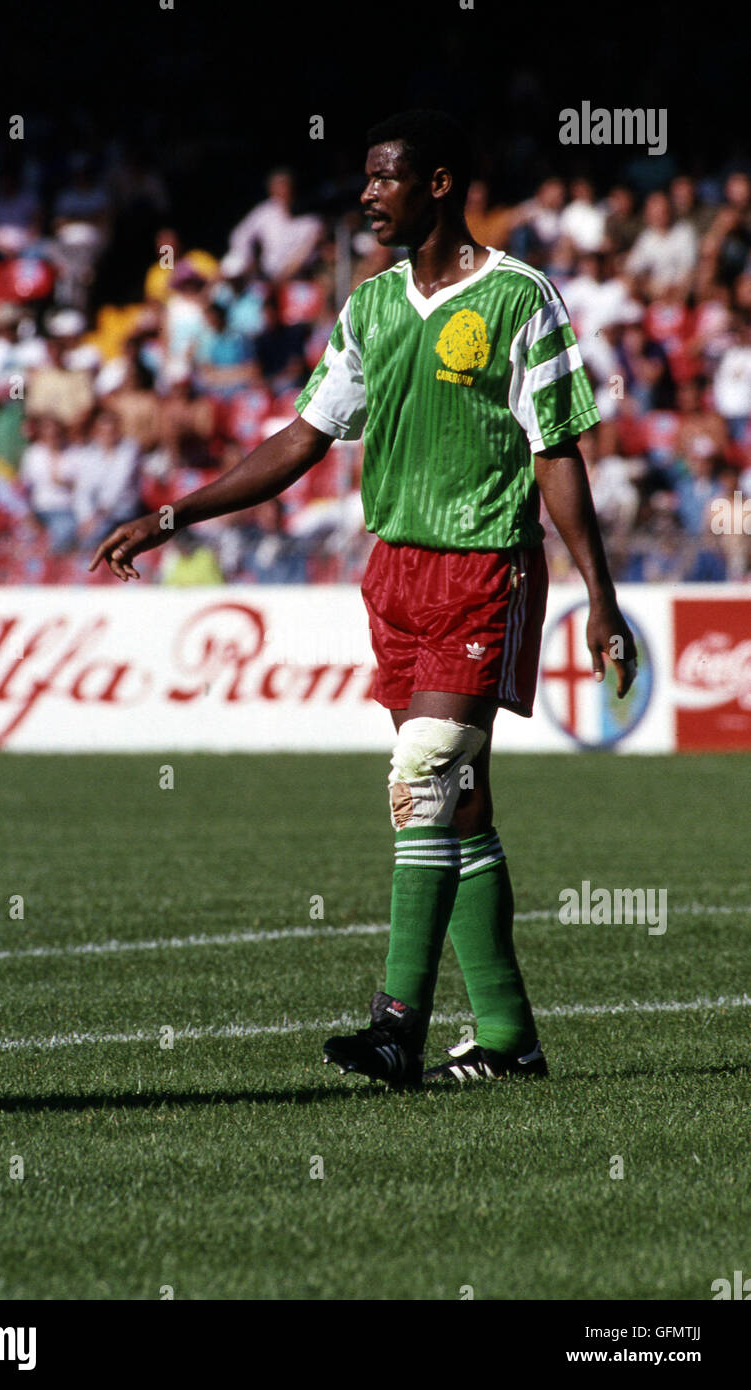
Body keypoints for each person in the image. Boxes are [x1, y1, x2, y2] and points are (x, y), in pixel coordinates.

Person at [89, 109, 636, 1091]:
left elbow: (555, 450)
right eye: (365, 178)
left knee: (423, 773)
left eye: (384, 178)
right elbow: (300, 439)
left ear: (437, 184)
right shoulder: (371, 307)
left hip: (484, 567)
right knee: (456, 807)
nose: (366, 194)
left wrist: (600, 596)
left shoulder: (518, 298)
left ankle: (395, 1024)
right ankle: (508, 1037)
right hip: (393, 576)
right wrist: (173, 514)